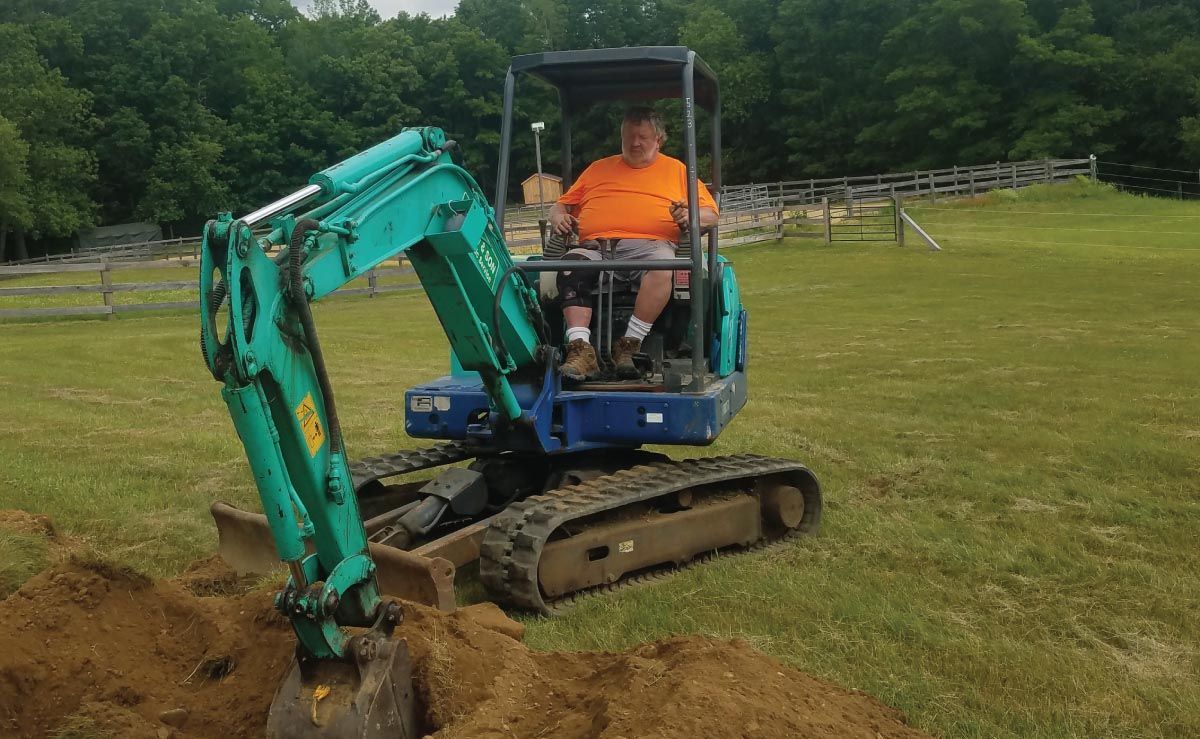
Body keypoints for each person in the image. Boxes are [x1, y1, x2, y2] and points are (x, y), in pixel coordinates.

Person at [548, 106, 719, 381]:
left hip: (652, 247)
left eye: (642, 137)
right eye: (629, 137)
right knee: (570, 266)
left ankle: (629, 346)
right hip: (597, 248)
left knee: (663, 265)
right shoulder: (597, 169)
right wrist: (558, 217)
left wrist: (689, 216)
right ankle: (581, 351)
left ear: (658, 140)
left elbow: (711, 214)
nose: (634, 143)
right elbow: (561, 205)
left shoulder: (678, 171)